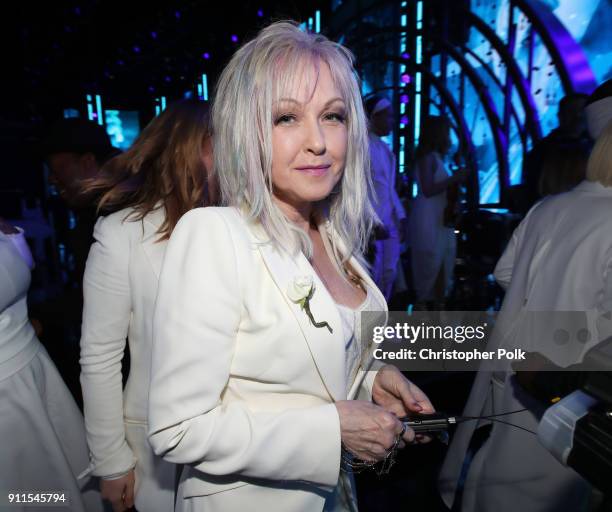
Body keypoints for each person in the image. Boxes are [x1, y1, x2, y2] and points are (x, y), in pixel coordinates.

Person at [147, 21, 434, 512]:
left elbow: (304, 363)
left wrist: (369, 380)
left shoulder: (333, 234)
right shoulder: (215, 235)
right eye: (286, 118)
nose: (318, 141)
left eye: (333, 116)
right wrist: (333, 428)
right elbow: (178, 429)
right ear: (248, 132)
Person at [439, 120, 612, 512]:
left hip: (518, 358)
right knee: (545, 486)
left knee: (503, 462)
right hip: (568, 379)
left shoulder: (549, 205)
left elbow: (504, 272)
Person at [79, 99, 214, 512]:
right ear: (187, 151)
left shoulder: (245, 227)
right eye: (223, 145)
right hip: (157, 452)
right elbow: (100, 356)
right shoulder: (121, 234)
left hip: (238, 444)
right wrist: (111, 461)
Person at [0, 220, 103, 512]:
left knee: (62, 489)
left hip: (38, 375)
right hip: (7, 401)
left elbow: (23, 265)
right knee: (22, 497)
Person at [409, 116, 466, 306]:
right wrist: (454, 178)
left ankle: (438, 306)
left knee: (443, 258)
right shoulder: (428, 158)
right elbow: (427, 189)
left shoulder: (440, 158)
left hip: (440, 215)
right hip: (428, 214)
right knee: (430, 259)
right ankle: (424, 304)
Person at [365, 95, 407, 301]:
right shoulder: (364, 148)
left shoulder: (384, 149)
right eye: (388, 117)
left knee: (388, 274)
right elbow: (361, 190)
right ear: (374, 117)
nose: (392, 121)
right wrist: (372, 222)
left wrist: (399, 216)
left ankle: (381, 324)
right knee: (372, 275)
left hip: (388, 221)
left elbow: (388, 189)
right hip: (374, 222)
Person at [522, 93, 591, 210]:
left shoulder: (543, 149)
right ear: (560, 116)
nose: (578, 116)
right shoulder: (542, 151)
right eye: (572, 111)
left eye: (582, 111)